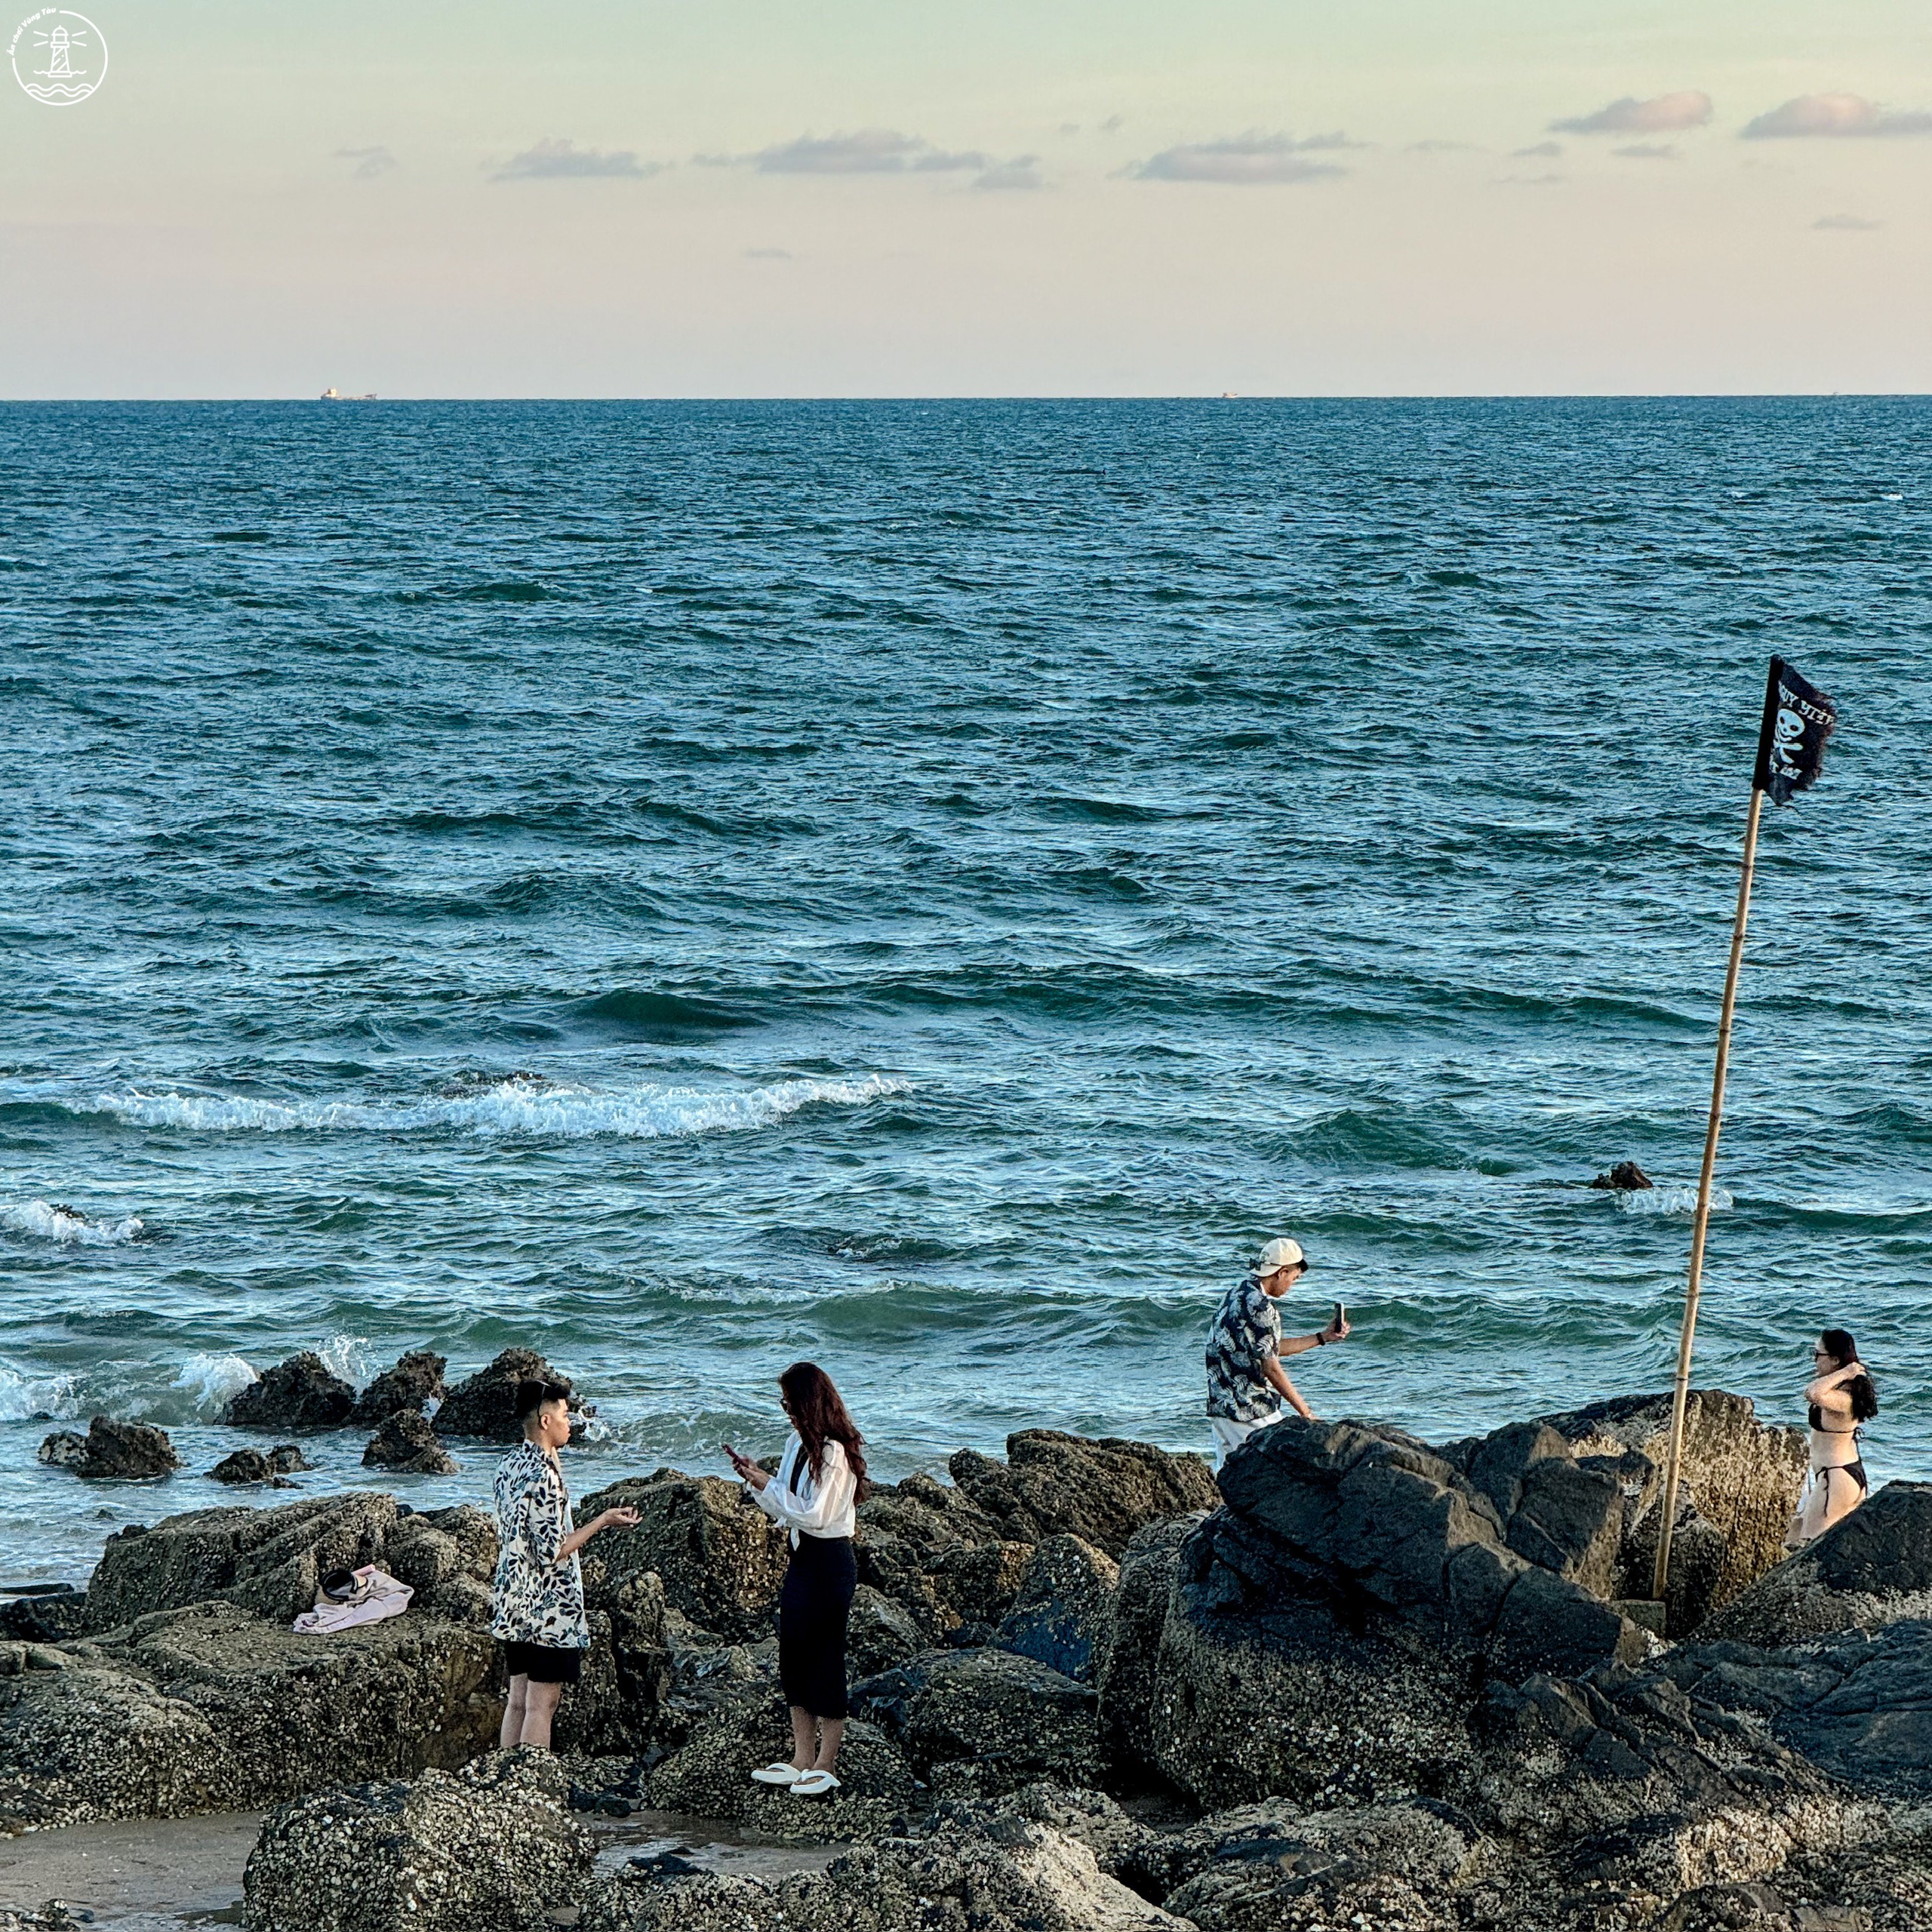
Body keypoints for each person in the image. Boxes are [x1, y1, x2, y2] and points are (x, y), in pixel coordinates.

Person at [727, 1361, 867, 1799]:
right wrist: (758, 1481)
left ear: (808, 1402)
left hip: (831, 1559)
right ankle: (801, 1758)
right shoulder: (796, 1444)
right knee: (793, 1654)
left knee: (825, 1655)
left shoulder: (834, 1453)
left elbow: (815, 1515)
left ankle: (826, 1763)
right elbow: (788, 1508)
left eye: (789, 1401)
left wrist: (769, 1486)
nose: (785, 1409)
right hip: (802, 1556)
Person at [491, 1377, 638, 1750]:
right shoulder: (544, 1476)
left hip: (513, 1596)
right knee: (543, 1705)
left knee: (517, 1701)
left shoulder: (510, 1464)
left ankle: (505, 1782)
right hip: (547, 1606)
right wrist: (603, 1520)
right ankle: (528, 1783)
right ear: (545, 1421)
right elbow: (552, 1551)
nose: (570, 1422)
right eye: (564, 1414)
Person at [1205, 1237, 1349, 1466]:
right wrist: (1306, 1413)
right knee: (1270, 1474)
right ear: (1281, 1272)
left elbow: (1268, 1348)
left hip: (1221, 1405)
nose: (1292, 1285)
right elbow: (1271, 1367)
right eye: (1294, 1278)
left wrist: (1322, 1337)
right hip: (1249, 1409)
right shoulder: (1262, 1308)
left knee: (1228, 1477)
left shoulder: (1237, 1293)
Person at [1784, 1328, 1877, 1549]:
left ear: (1835, 1359)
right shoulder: (1839, 1389)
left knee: (1811, 1548)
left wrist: (1846, 1372)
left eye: (1818, 1355)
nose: (1815, 1361)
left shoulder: (1846, 1397)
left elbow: (1813, 1393)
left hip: (1836, 1477)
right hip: (1833, 1476)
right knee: (1794, 1536)